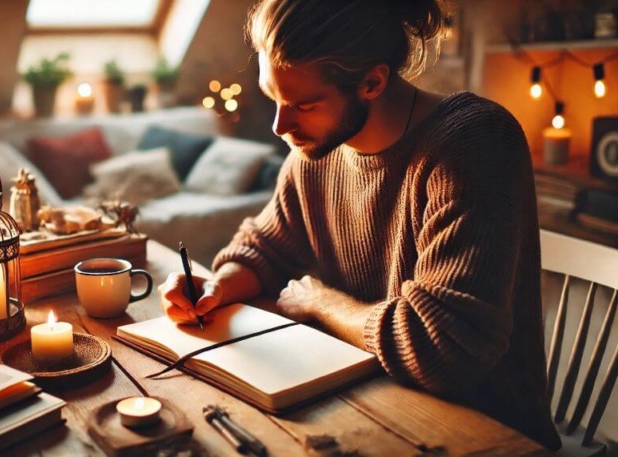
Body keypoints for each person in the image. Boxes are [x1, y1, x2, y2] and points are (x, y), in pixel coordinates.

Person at [158, 0, 561, 450]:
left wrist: (322, 302)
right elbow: (264, 247)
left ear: (372, 81)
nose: (279, 125)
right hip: (359, 400)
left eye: (302, 104)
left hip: (477, 428)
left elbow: (442, 349)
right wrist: (218, 286)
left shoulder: (474, 144)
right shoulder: (312, 154)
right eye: (273, 97)